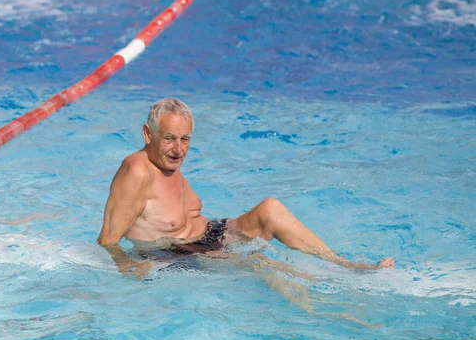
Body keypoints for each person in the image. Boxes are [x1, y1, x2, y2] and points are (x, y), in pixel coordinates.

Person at [97, 98, 394, 276]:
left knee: (269, 209)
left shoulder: (167, 164)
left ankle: (345, 266)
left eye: (185, 139)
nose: (178, 149)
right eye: (169, 138)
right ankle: (332, 305)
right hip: (181, 252)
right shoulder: (136, 171)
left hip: (210, 233)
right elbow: (108, 240)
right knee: (263, 265)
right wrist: (128, 268)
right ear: (148, 134)